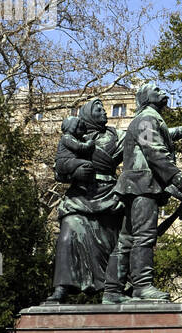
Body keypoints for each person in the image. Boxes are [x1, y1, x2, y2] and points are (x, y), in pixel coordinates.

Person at [102, 82, 182, 303]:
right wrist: (176, 176)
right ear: (145, 97)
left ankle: (112, 291)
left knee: (126, 239)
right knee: (144, 236)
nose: (163, 92)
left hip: (135, 185)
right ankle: (142, 286)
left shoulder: (148, 119)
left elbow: (164, 136)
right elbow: (153, 149)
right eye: (157, 90)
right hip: (142, 186)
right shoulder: (147, 118)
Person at [43, 100, 123, 303]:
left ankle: (114, 289)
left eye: (106, 109)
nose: (105, 112)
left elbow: (141, 143)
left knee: (111, 244)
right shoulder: (75, 137)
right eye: (99, 109)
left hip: (108, 198)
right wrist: (74, 170)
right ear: (88, 115)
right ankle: (62, 286)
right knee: (68, 235)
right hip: (79, 197)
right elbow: (58, 170)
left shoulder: (115, 136)